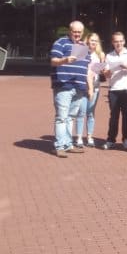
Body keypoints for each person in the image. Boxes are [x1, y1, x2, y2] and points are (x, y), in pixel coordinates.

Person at [49, 20, 89, 158]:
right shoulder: (60, 43)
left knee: (71, 117)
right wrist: (65, 60)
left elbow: (86, 65)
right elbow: (53, 61)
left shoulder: (83, 46)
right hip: (64, 85)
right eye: (74, 31)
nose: (77, 34)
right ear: (69, 31)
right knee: (61, 117)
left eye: (79, 32)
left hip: (79, 86)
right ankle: (59, 146)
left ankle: (68, 144)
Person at [101, 31, 127, 150]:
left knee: (126, 115)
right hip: (114, 89)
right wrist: (109, 71)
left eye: (121, 41)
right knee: (114, 116)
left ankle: (126, 140)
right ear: (112, 42)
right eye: (116, 41)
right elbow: (106, 75)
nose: (119, 44)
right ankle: (111, 140)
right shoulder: (109, 56)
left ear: (124, 41)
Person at [74, 32, 104, 148]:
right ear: (87, 41)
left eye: (96, 41)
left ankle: (90, 137)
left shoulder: (99, 55)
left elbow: (98, 72)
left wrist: (102, 62)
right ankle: (79, 137)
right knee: (81, 112)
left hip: (95, 86)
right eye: (92, 40)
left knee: (91, 113)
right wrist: (89, 86)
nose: (94, 43)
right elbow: (84, 71)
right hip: (83, 87)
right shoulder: (82, 52)